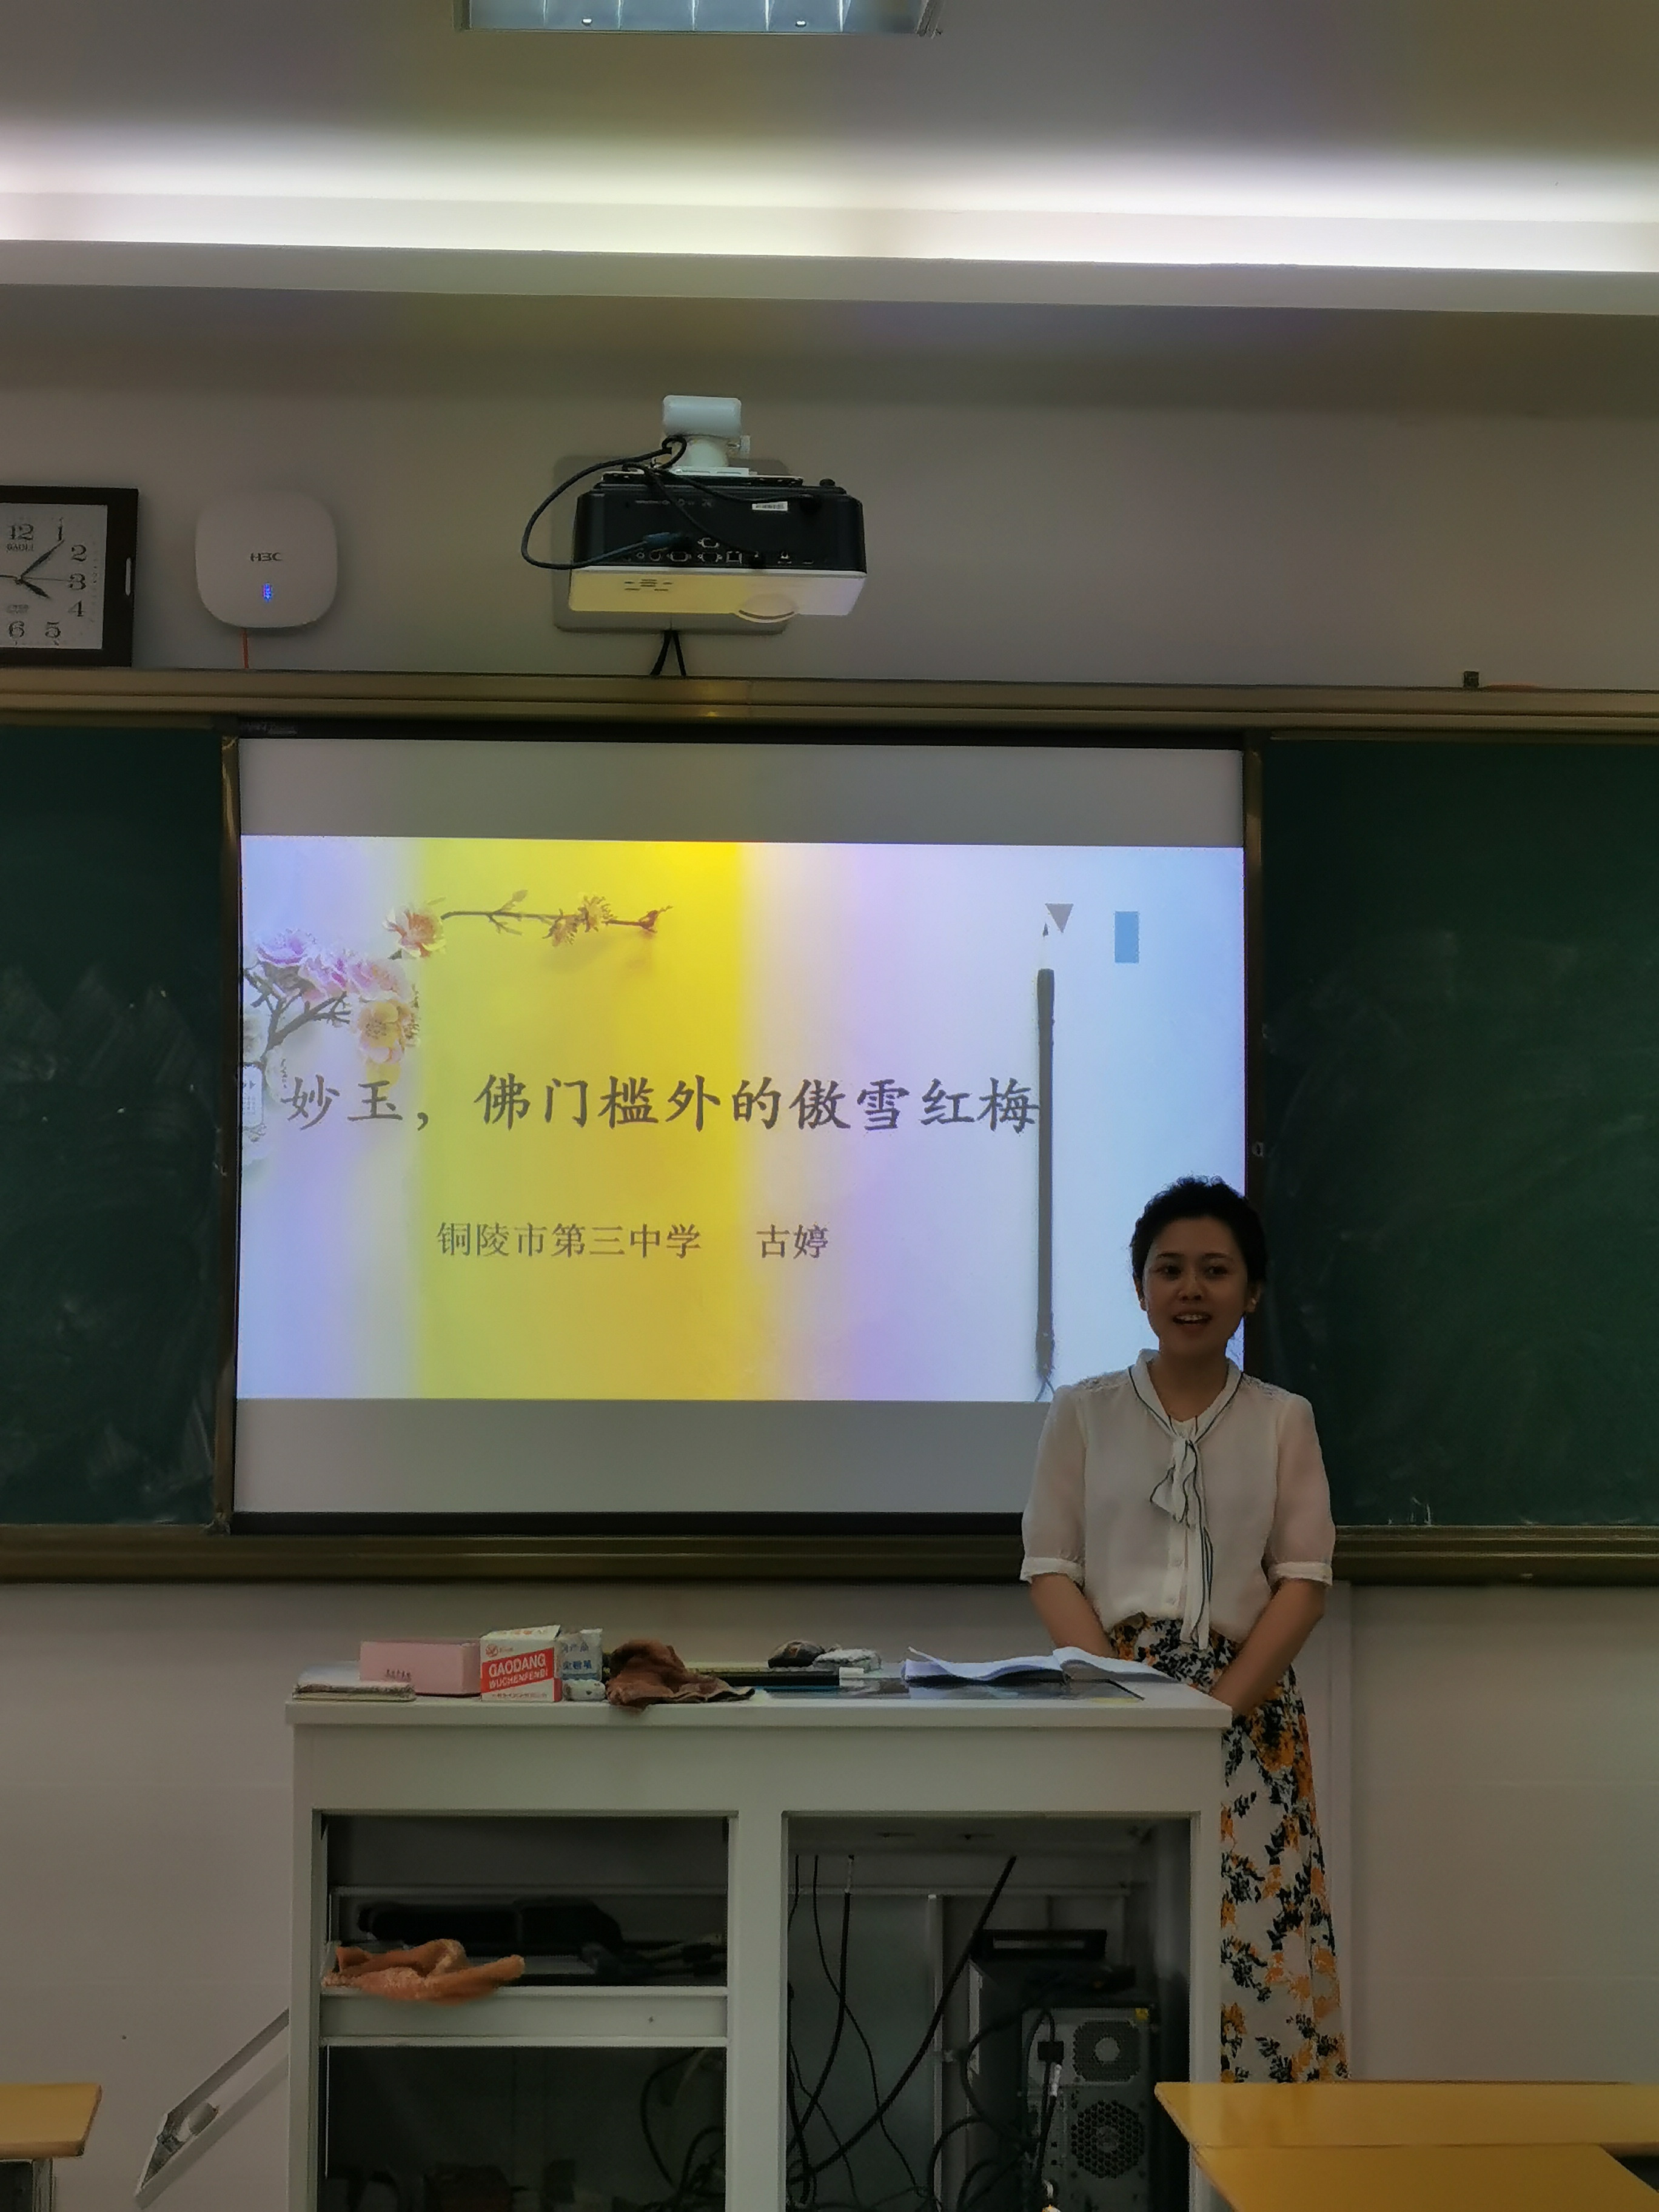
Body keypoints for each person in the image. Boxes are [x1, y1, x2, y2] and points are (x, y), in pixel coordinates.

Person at [1022, 1176, 1347, 2082]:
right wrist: (1120, 1698)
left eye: (1215, 1270)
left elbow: (1304, 1583)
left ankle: (1260, 2151)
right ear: (1140, 1289)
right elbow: (1050, 1565)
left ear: (1253, 1292)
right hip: (1109, 1700)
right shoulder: (1082, 1411)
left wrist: (1213, 1714)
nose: (1191, 1290)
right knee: (1128, 1942)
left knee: (1258, 1958)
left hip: (1245, 1707)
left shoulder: (1284, 1420)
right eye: (1169, 1270)